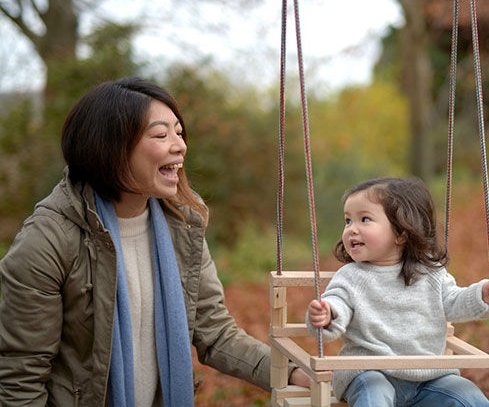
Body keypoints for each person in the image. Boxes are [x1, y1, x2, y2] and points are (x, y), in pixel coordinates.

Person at [0, 77, 308, 406]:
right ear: (110, 147)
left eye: (178, 132)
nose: (180, 146)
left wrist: (291, 372)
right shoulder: (48, 239)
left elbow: (216, 333)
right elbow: (20, 374)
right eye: (161, 135)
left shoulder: (183, 227)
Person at [307, 177, 489, 407]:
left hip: (430, 377)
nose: (352, 229)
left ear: (401, 233)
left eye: (365, 219)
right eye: (348, 220)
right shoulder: (351, 276)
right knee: (374, 393)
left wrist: (482, 295)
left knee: (466, 394)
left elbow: (453, 301)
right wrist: (328, 313)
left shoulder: (430, 273)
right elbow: (338, 301)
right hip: (370, 373)